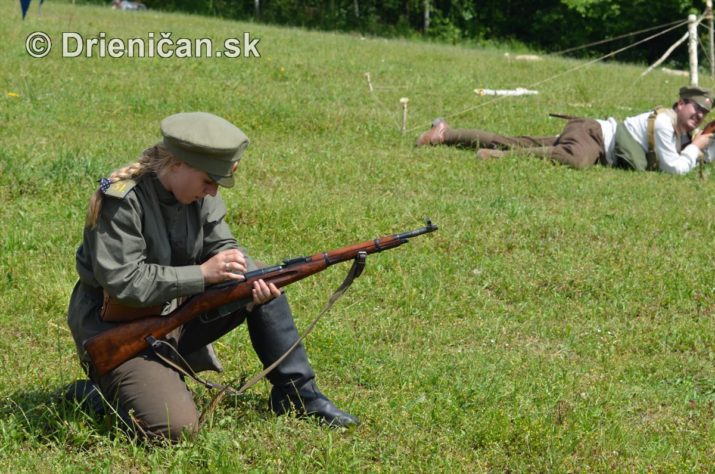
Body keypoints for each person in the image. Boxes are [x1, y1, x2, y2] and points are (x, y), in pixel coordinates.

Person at [66, 111, 359, 441]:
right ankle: (98, 393)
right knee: (174, 430)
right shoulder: (122, 200)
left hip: (173, 315)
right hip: (117, 331)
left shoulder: (198, 194)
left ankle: (298, 394)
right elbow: (125, 284)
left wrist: (248, 284)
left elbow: (224, 247)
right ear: (177, 164)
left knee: (262, 275)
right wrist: (204, 274)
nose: (213, 192)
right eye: (208, 181)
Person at [416, 86, 715, 175]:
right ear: (679, 104)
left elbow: (703, 158)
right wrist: (697, 145)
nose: (698, 115)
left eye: (704, 113)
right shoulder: (665, 124)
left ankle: (445, 133)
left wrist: (704, 142)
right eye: (695, 108)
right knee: (573, 159)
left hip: (593, 137)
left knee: (514, 142)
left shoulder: (679, 135)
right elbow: (674, 169)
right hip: (594, 135)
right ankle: (497, 158)